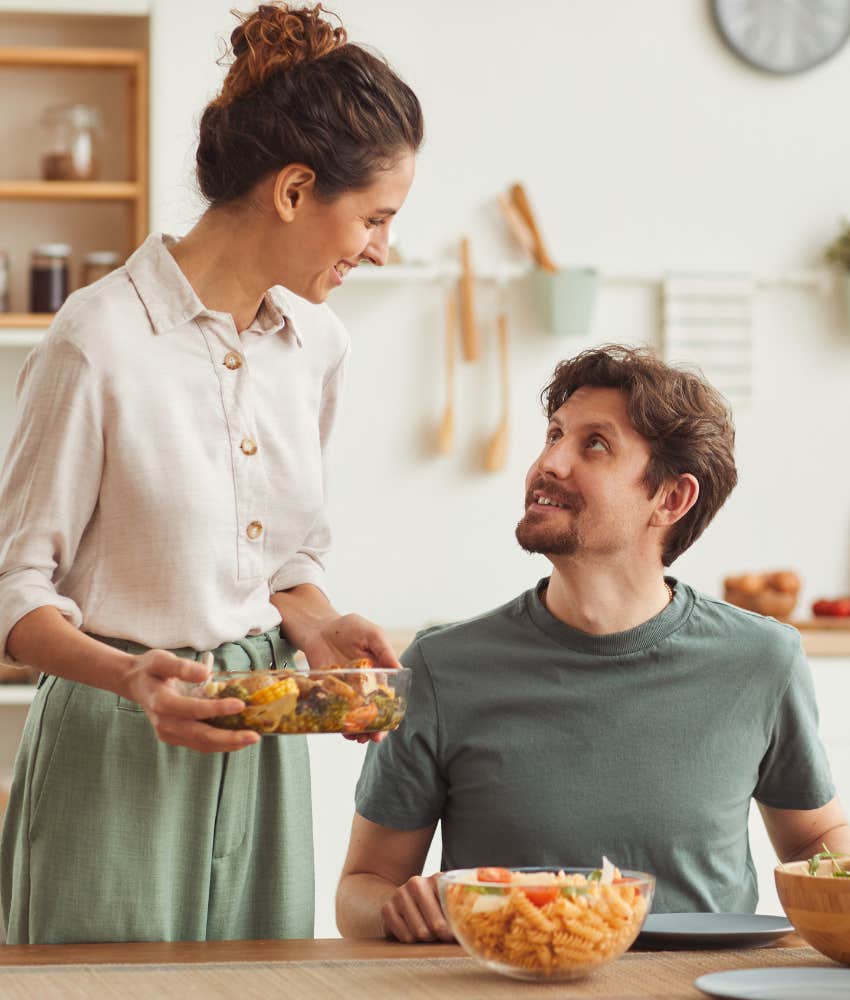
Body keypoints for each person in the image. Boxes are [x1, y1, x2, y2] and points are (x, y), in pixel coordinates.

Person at [0, 2, 422, 945]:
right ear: (294, 189)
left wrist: (320, 629)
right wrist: (133, 679)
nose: (381, 249)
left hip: (264, 742)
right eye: (373, 219)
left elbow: (284, 562)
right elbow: (17, 598)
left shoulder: (317, 343)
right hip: (119, 740)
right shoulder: (97, 341)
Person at [336, 344, 850, 942]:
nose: (549, 462)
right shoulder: (438, 667)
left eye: (594, 444)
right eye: (554, 434)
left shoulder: (764, 660)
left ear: (672, 499)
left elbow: (818, 842)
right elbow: (362, 888)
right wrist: (403, 909)